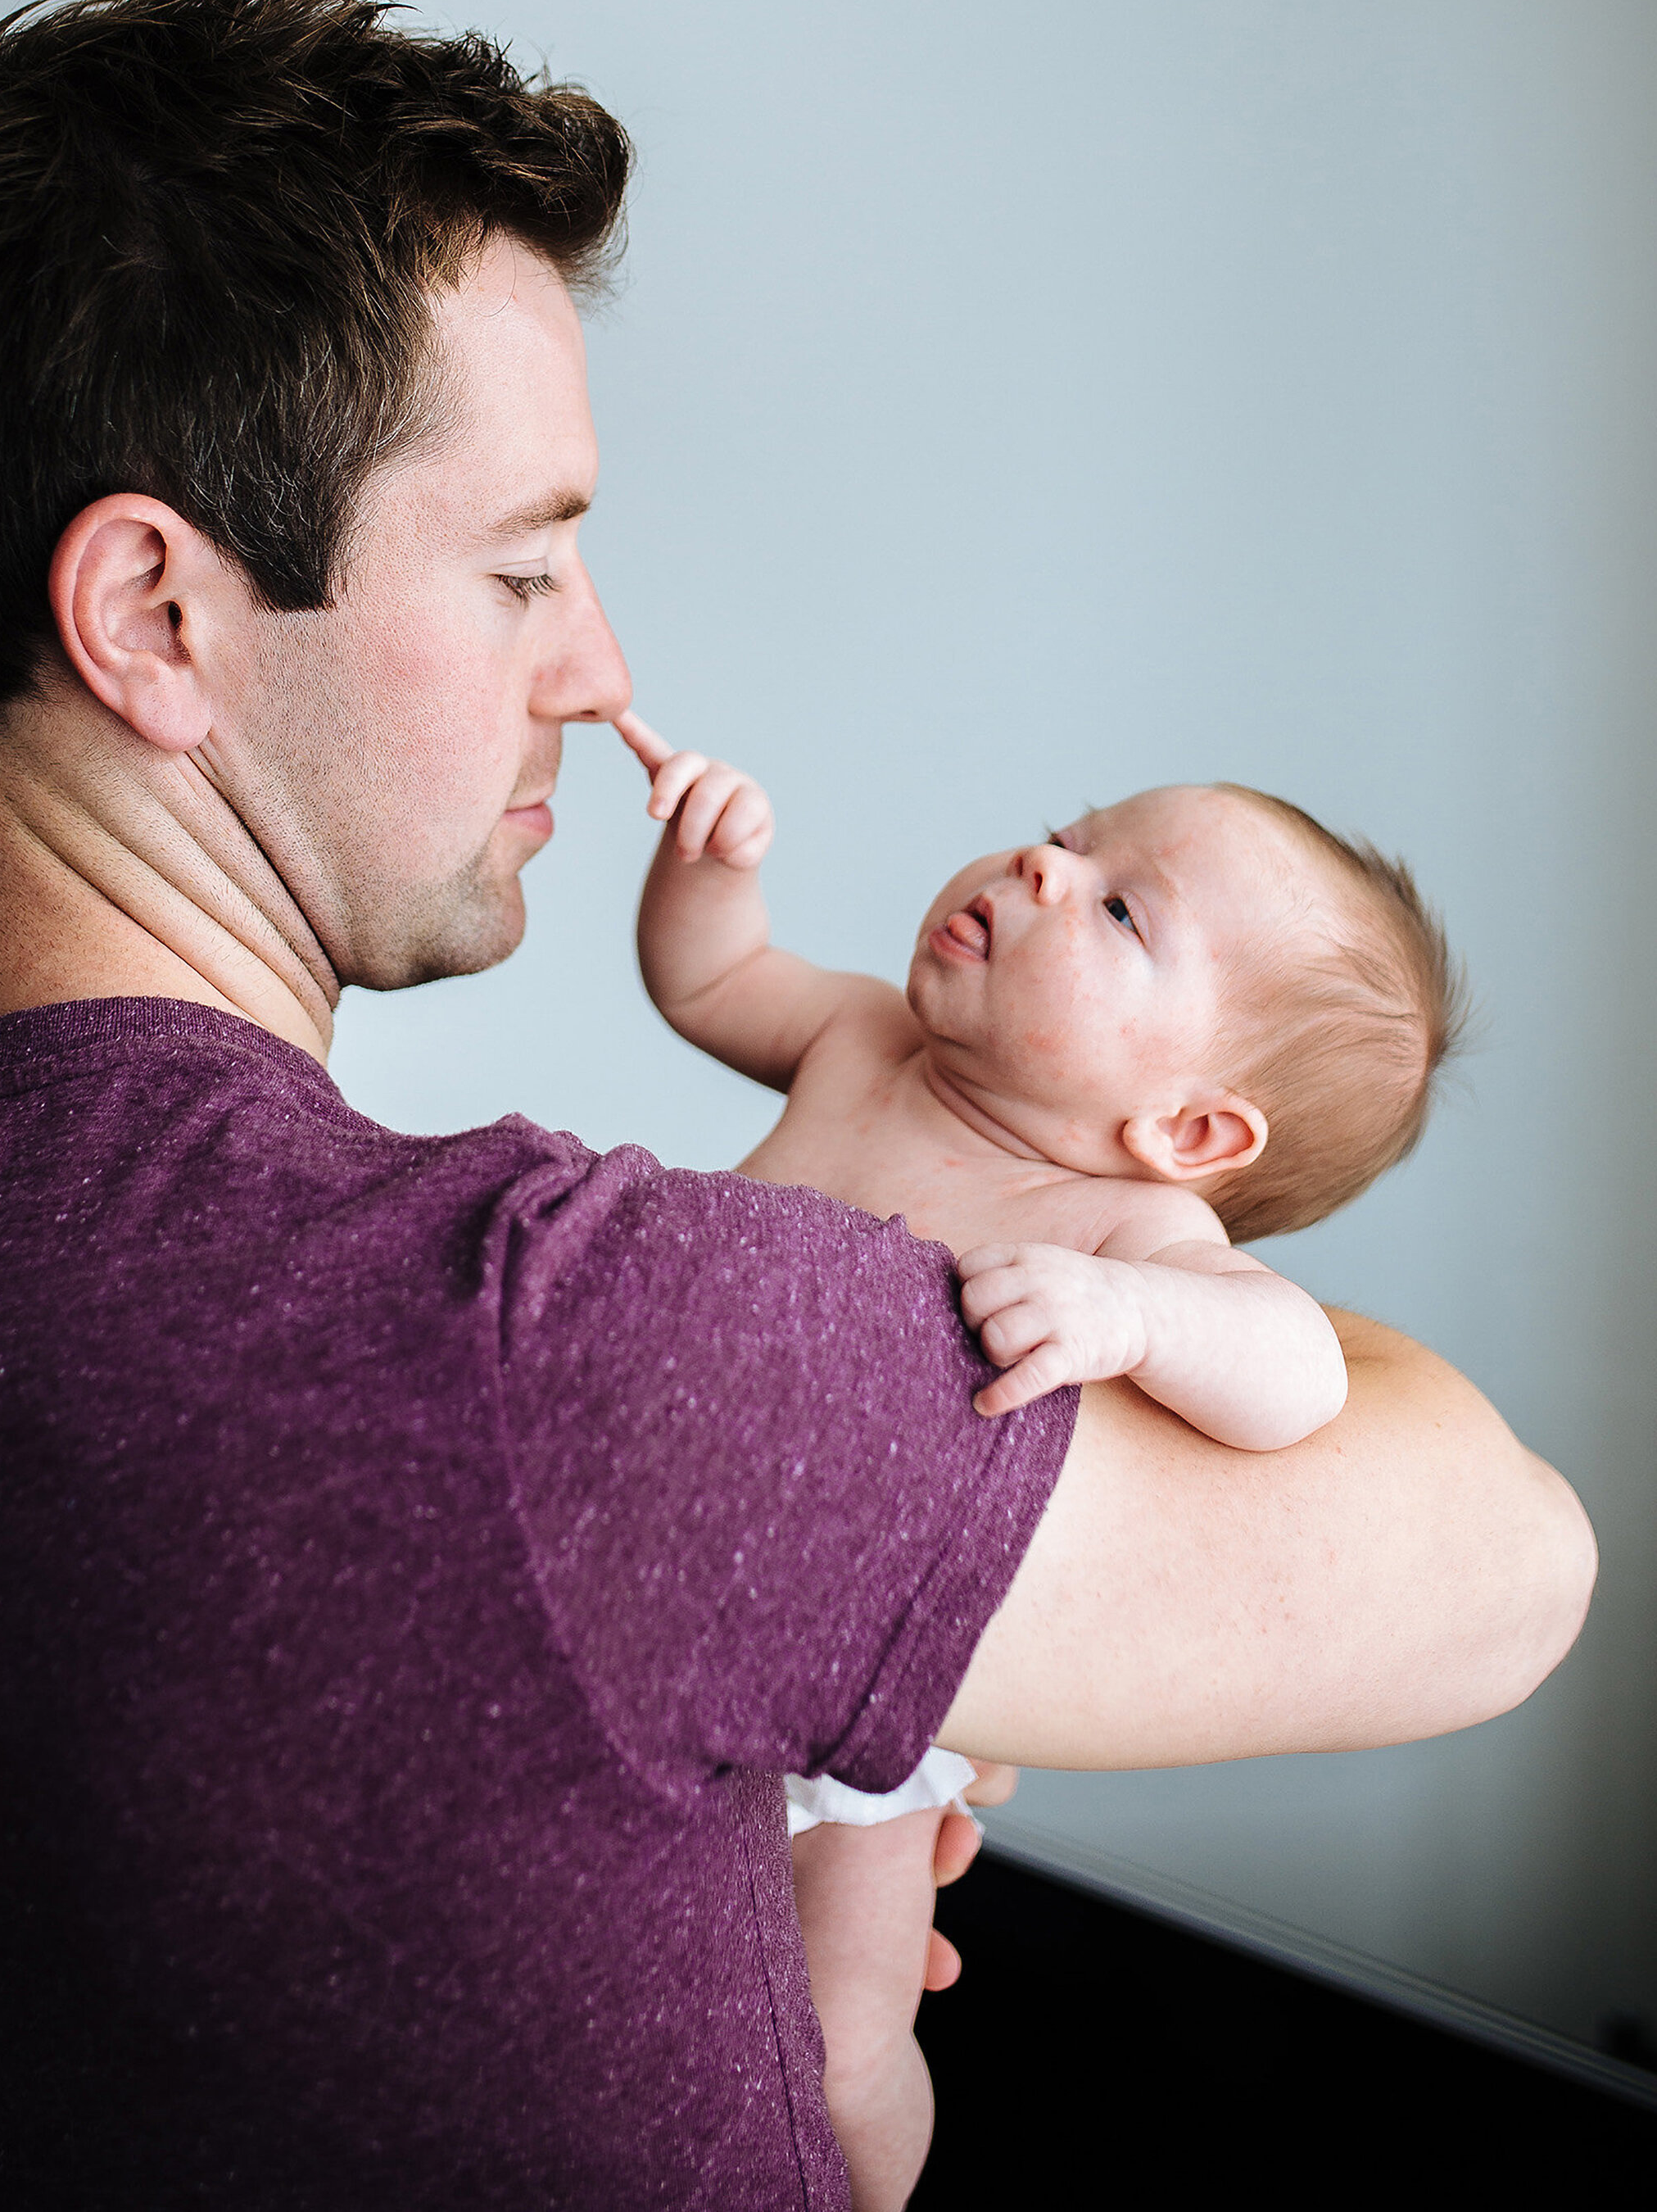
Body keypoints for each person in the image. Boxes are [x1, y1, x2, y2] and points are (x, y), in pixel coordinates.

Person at [0, 0, 1592, 2211]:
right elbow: (1509, 1573)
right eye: (525, 561)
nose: (599, 663)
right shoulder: (564, 1343)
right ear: (154, 613)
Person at [625, 730, 1465, 2208]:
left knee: (837, 2039)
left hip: (866, 1715)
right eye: (1067, 833)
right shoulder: (864, 1038)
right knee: (640, 1985)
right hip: (659, 1633)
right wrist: (707, 867)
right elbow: (705, 980)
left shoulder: (1120, 1222)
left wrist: (1137, 1317)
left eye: (1123, 909)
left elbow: (1299, 1375)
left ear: (1191, 1129)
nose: (1043, 864)